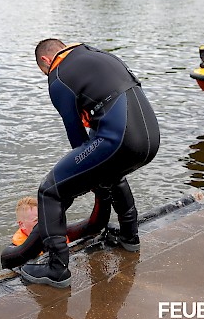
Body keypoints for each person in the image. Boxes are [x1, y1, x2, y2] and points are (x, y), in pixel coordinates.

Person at [20, 39, 160, 288]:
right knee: (111, 170)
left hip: (120, 139)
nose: (46, 75)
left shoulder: (58, 75)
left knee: (49, 190)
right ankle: (130, 237)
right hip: (151, 138)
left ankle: (56, 269)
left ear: (45, 61)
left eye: (42, 71)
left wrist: (84, 179)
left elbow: (76, 136)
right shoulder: (97, 55)